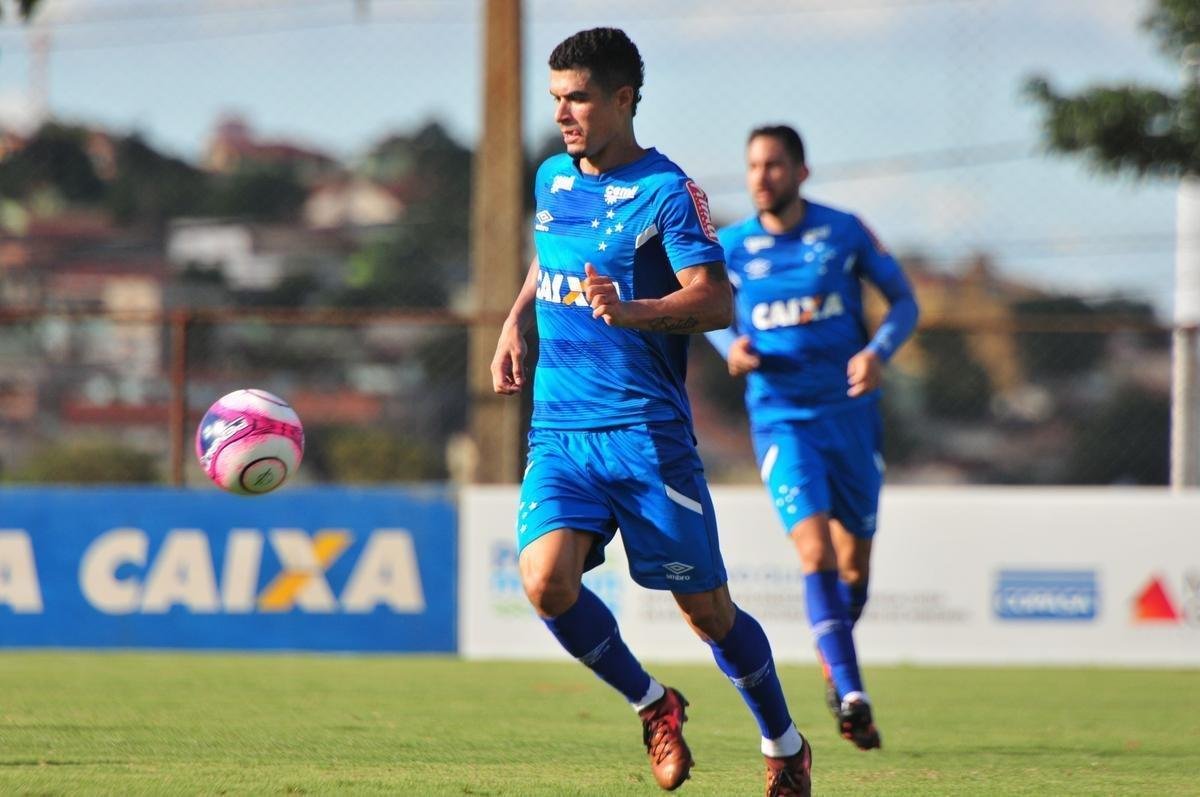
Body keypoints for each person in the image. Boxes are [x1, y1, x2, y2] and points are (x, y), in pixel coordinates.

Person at [490, 29, 811, 797]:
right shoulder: (551, 180)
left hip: (645, 434)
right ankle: (654, 703)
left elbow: (716, 298)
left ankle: (785, 742)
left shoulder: (669, 191)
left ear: (624, 98)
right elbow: (550, 256)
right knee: (545, 583)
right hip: (560, 431)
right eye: (557, 98)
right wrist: (515, 319)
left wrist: (632, 311)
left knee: (706, 612)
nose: (564, 113)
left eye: (579, 97)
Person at [706, 124, 919, 751]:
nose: (761, 176)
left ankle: (834, 657)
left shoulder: (843, 231)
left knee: (854, 566)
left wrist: (879, 351)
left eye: (774, 165)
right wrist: (729, 346)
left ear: (801, 172)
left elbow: (904, 302)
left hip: (851, 417)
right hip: (781, 419)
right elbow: (708, 312)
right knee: (815, 552)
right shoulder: (733, 247)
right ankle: (853, 692)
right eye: (753, 165)